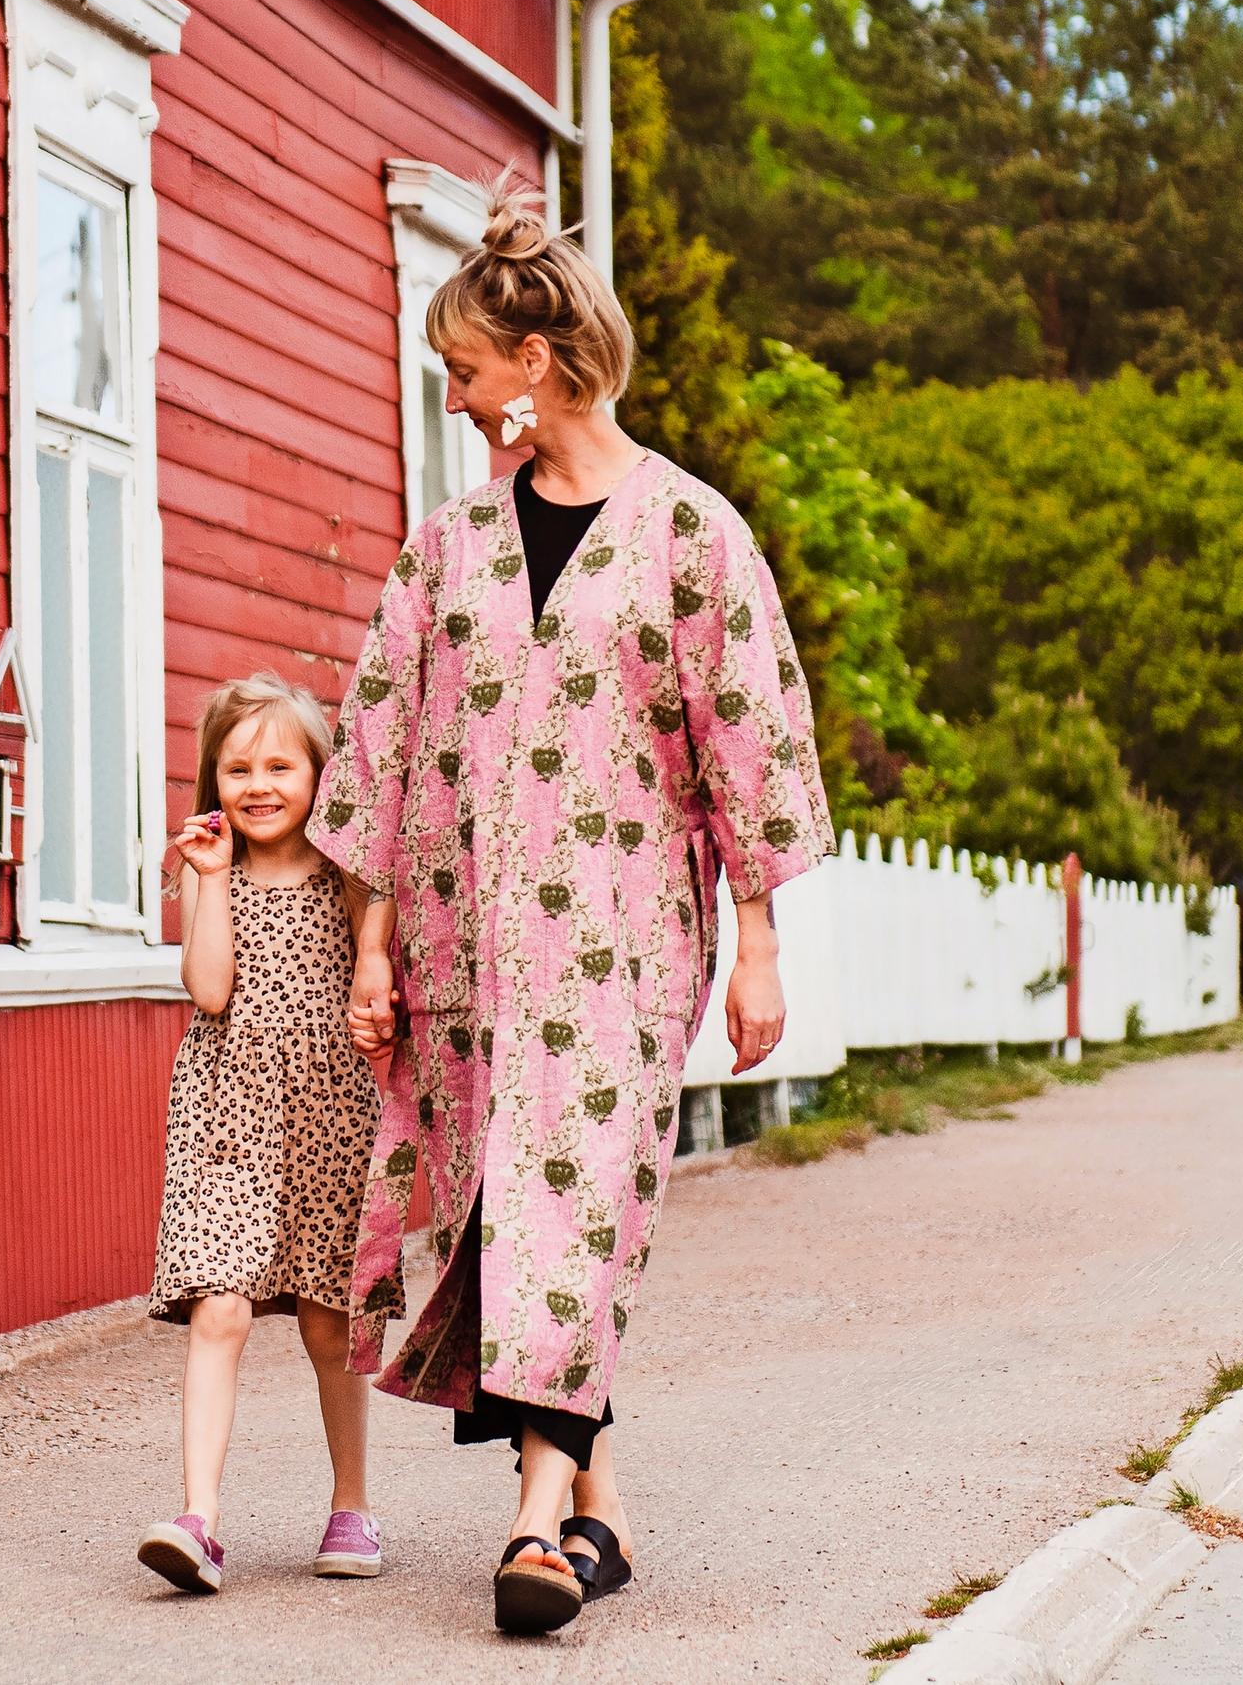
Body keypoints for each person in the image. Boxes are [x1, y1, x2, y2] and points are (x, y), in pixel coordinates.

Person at [312, 179, 833, 1635]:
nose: (456, 391)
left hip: (624, 946)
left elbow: (749, 737)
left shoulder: (690, 534)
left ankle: (534, 1527)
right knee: (511, 1217)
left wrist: (760, 949)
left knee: (572, 1203)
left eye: (463, 368)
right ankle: (593, 1512)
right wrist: (367, 949)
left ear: (531, 364)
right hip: (458, 950)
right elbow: (380, 740)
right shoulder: (444, 549)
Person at [136, 674, 395, 1595]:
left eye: (279, 764)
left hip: (329, 1117)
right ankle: (199, 1519)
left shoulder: (350, 879)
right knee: (221, 1307)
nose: (258, 784)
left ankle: (352, 1503)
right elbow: (209, 991)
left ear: (319, 775)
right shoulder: (214, 875)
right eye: (236, 767)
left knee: (331, 1326)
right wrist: (205, 882)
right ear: (212, 780)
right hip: (227, 1119)